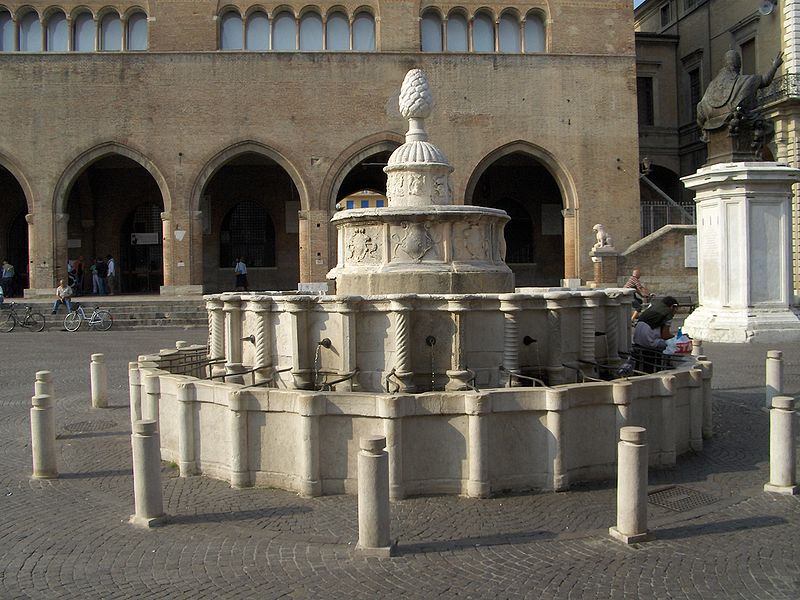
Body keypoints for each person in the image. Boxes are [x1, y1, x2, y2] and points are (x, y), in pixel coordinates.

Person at [697, 50, 783, 142]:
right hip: (739, 132)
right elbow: (765, 80)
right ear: (738, 65)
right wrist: (775, 66)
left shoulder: (711, 86)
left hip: (713, 129)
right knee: (766, 125)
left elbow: (701, 110)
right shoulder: (745, 81)